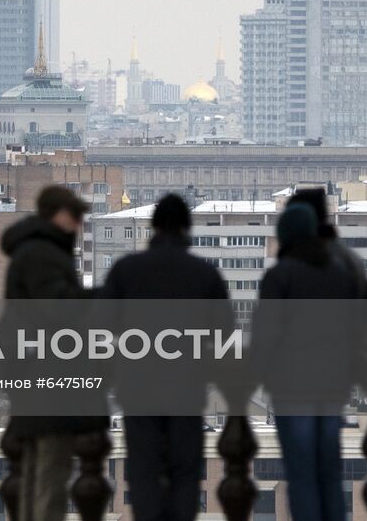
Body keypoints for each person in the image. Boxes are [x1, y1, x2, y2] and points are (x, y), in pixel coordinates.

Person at [99, 193, 229, 521]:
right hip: (186, 389)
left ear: (153, 227)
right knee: (184, 472)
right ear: (186, 227)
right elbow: (223, 331)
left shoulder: (127, 270)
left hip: (138, 389)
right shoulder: (204, 274)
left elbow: (102, 325)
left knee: (144, 471)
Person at [251, 202, 367, 521]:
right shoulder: (340, 275)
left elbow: (266, 335)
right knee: (328, 471)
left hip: (291, 389)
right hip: (333, 386)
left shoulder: (280, 276)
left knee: (302, 474)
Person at [0, 185, 105, 521]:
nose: (79, 224)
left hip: (34, 373)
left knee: (35, 470)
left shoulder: (33, 250)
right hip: (50, 379)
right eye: (75, 216)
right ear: (57, 214)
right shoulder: (44, 254)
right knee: (50, 474)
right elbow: (59, 309)